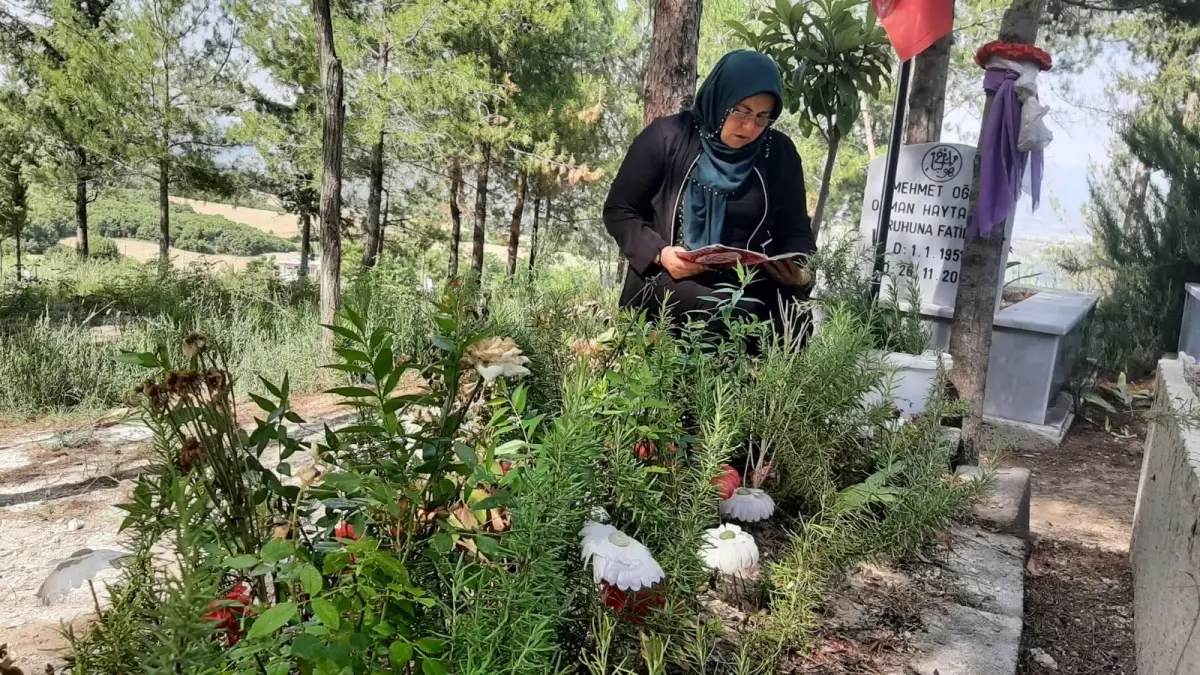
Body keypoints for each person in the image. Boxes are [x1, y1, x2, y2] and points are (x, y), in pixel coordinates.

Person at [603, 50, 815, 333]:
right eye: (741, 110)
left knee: (792, 317)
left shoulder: (778, 153)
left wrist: (800, 270)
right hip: (673, 276)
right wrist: (661, 253)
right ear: (721, 98)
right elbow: (620, 210)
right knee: (709, 310)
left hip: (751, 283)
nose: (750, 126)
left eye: (763, 117)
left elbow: (796, 230)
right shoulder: (668, 137)